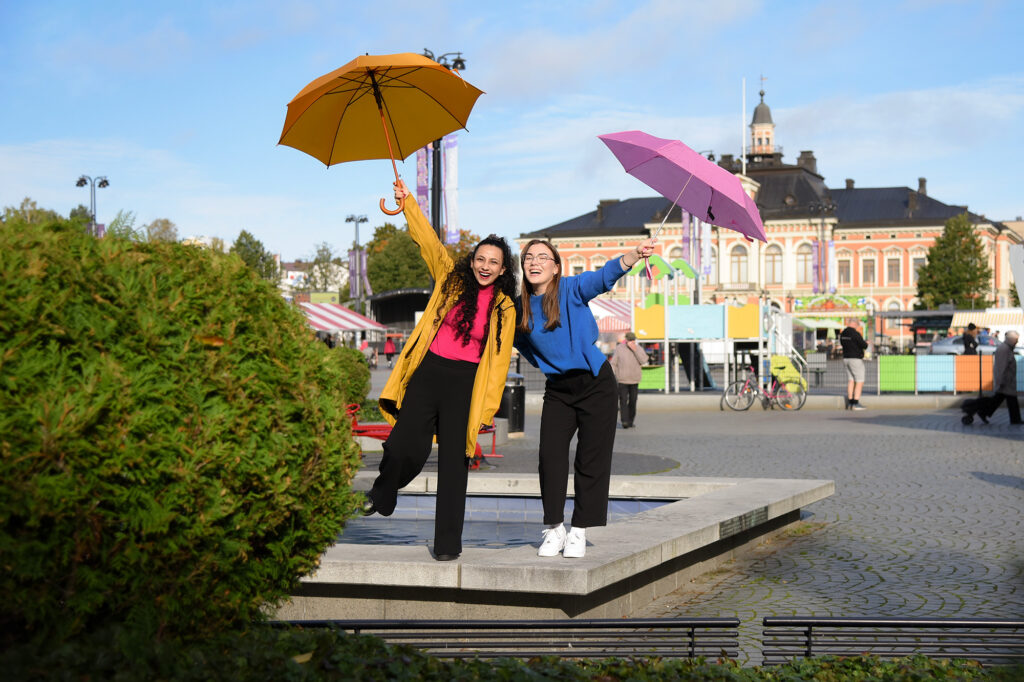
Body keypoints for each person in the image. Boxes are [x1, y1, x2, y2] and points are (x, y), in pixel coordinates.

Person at [363, 180, 518, 562]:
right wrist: (408, 204)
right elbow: (429, 242)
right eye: (480, 259)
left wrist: (485, 411)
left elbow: (498, 365)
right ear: (473, 260)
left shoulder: (504, 308)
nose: (485, 266)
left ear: (501, 270)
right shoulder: (450, 279)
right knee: (402, 446)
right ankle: (384, 491)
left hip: (465, 385)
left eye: (493, 262)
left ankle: (448, 545)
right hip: (429, 373)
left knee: (454, 466)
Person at [515, 236, 656, 559]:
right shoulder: (518, 306)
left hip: (595, 384)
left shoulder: (571, 289)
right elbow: (522, 345)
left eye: (542, 258)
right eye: (528, 258)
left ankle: (578, 530)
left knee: (590, 459)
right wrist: (551, 365)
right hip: (559, 389)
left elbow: (604, 276)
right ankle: (554, 528)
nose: (534, 263)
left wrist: (634, 254)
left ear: (555, 267)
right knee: (550, 457)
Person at [978, 331, 1021, 425]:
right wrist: (1000, 380)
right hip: (1006, 380)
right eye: (1016, 340)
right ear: (1011, 339)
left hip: (1007, 380)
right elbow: (1001, 367)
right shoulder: (1004, 349)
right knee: (1008, 399)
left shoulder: (1006, 348)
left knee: (999, 399)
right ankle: (1015, 419)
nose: (1017, 342)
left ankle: (984, 412)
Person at [609, 331, 649, 429]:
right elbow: (614, 363)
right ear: (626, 340)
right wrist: (611, 375)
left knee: (633, 400)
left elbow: (644, 361)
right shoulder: (619, 349)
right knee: (623, 400)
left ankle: (631, 420)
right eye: (630, 340)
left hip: (634, 379)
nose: (631, 341)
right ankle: (624, 421)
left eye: (633, 340)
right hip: (622, 379)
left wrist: (635, 350)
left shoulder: (638, 349)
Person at [839, 318, 868, 410]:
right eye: (858, 325)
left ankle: (850, 402)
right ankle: (856, 403)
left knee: (851, 380)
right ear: (855, 324)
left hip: (846, 358)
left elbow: (842, 344)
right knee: (860, 380)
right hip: (855, 358)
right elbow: (864, 345)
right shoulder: (855, 334)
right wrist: (866, 343)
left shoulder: (843, 333)